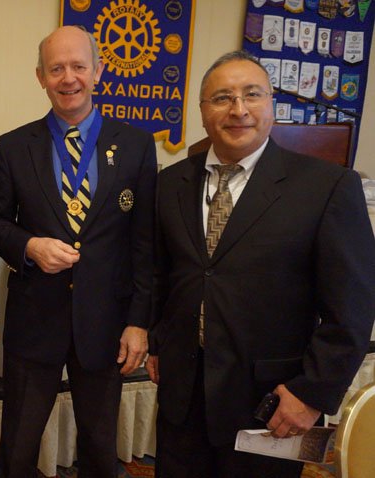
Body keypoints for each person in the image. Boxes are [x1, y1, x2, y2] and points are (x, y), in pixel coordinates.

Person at [147, 50, 375, 477]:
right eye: (221, 98)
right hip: (183, 398)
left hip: (272, 403)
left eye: (252, 95)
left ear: (271, 105)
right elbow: (166, 274)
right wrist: (159, 341)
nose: (238, 110)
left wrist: (311, 394)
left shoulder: (327, 187)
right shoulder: (169, 184)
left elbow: (353, 310)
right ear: (202, 111)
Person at [0, 25, 157, 477]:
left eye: (79, 66)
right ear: (40, 77)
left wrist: (139, 322)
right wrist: (29, 245)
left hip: (106, 323)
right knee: (18, 446)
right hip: (35, 319)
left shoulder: (137, 146)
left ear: (98, 71)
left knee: (101, 448)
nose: (69, 78)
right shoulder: (15, 145)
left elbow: (145, 243)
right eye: (56, 68)